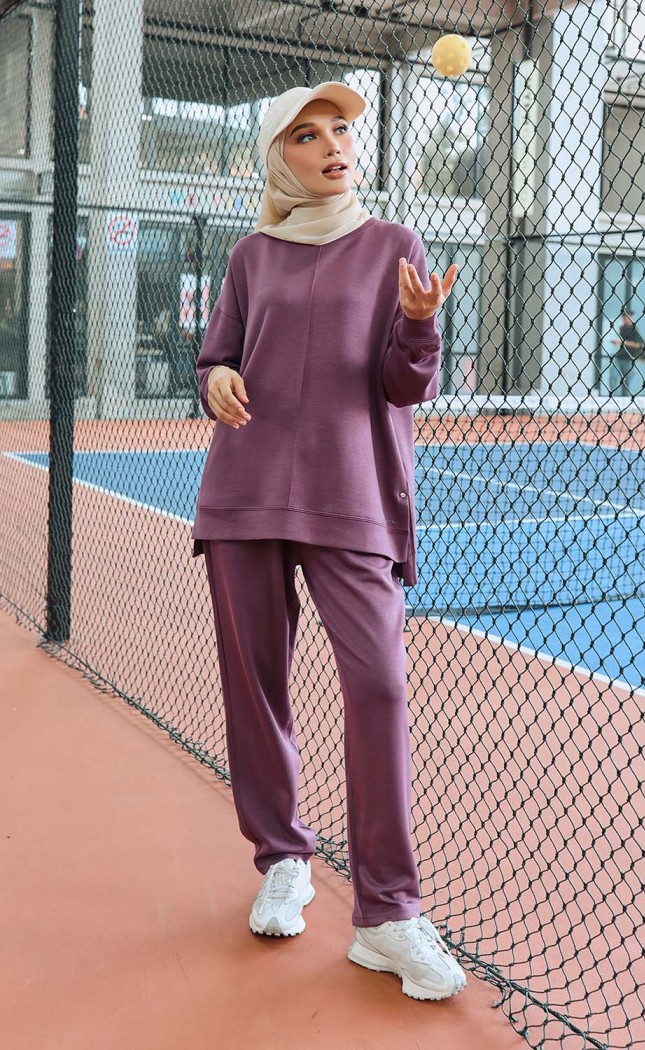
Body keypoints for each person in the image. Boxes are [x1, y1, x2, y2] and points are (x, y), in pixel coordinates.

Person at [191, 80, 465, 1001]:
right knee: (255, 685)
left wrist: (419, 323)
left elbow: (404, 386)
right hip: (245, 496)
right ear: (280, 158)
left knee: (379, 686)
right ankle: (283, 857)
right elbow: (217, 357)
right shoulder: (251, 255)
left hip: (351, 501)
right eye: (307, 135)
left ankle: (387, 914)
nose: (332, 145)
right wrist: (216, 379)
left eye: (341, 129)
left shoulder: (394, 247)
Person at [612, 308, 645, 396]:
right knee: (613, 375)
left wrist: (623, 342)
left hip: (629, 358)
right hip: (620, 356)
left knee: (626, 381)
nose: (626, 319)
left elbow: (638, 345)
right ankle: (614, 396)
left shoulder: (634, 329)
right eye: (624, 317)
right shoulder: (622, 328)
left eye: (628, 317)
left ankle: (626, 398)